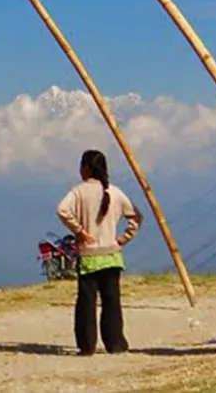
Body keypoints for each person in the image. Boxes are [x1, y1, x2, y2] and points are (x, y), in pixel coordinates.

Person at [56, 149, 142, 356]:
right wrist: (123, 238)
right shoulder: (115, 192)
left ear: (85, 168)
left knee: (87, 301)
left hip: (89, 256)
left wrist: (80, 231)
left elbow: (62, 210)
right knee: (112, 301)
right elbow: (136, 216)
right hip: (112, 255)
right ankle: (116, 344)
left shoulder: (78, 192)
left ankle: (87, 345)